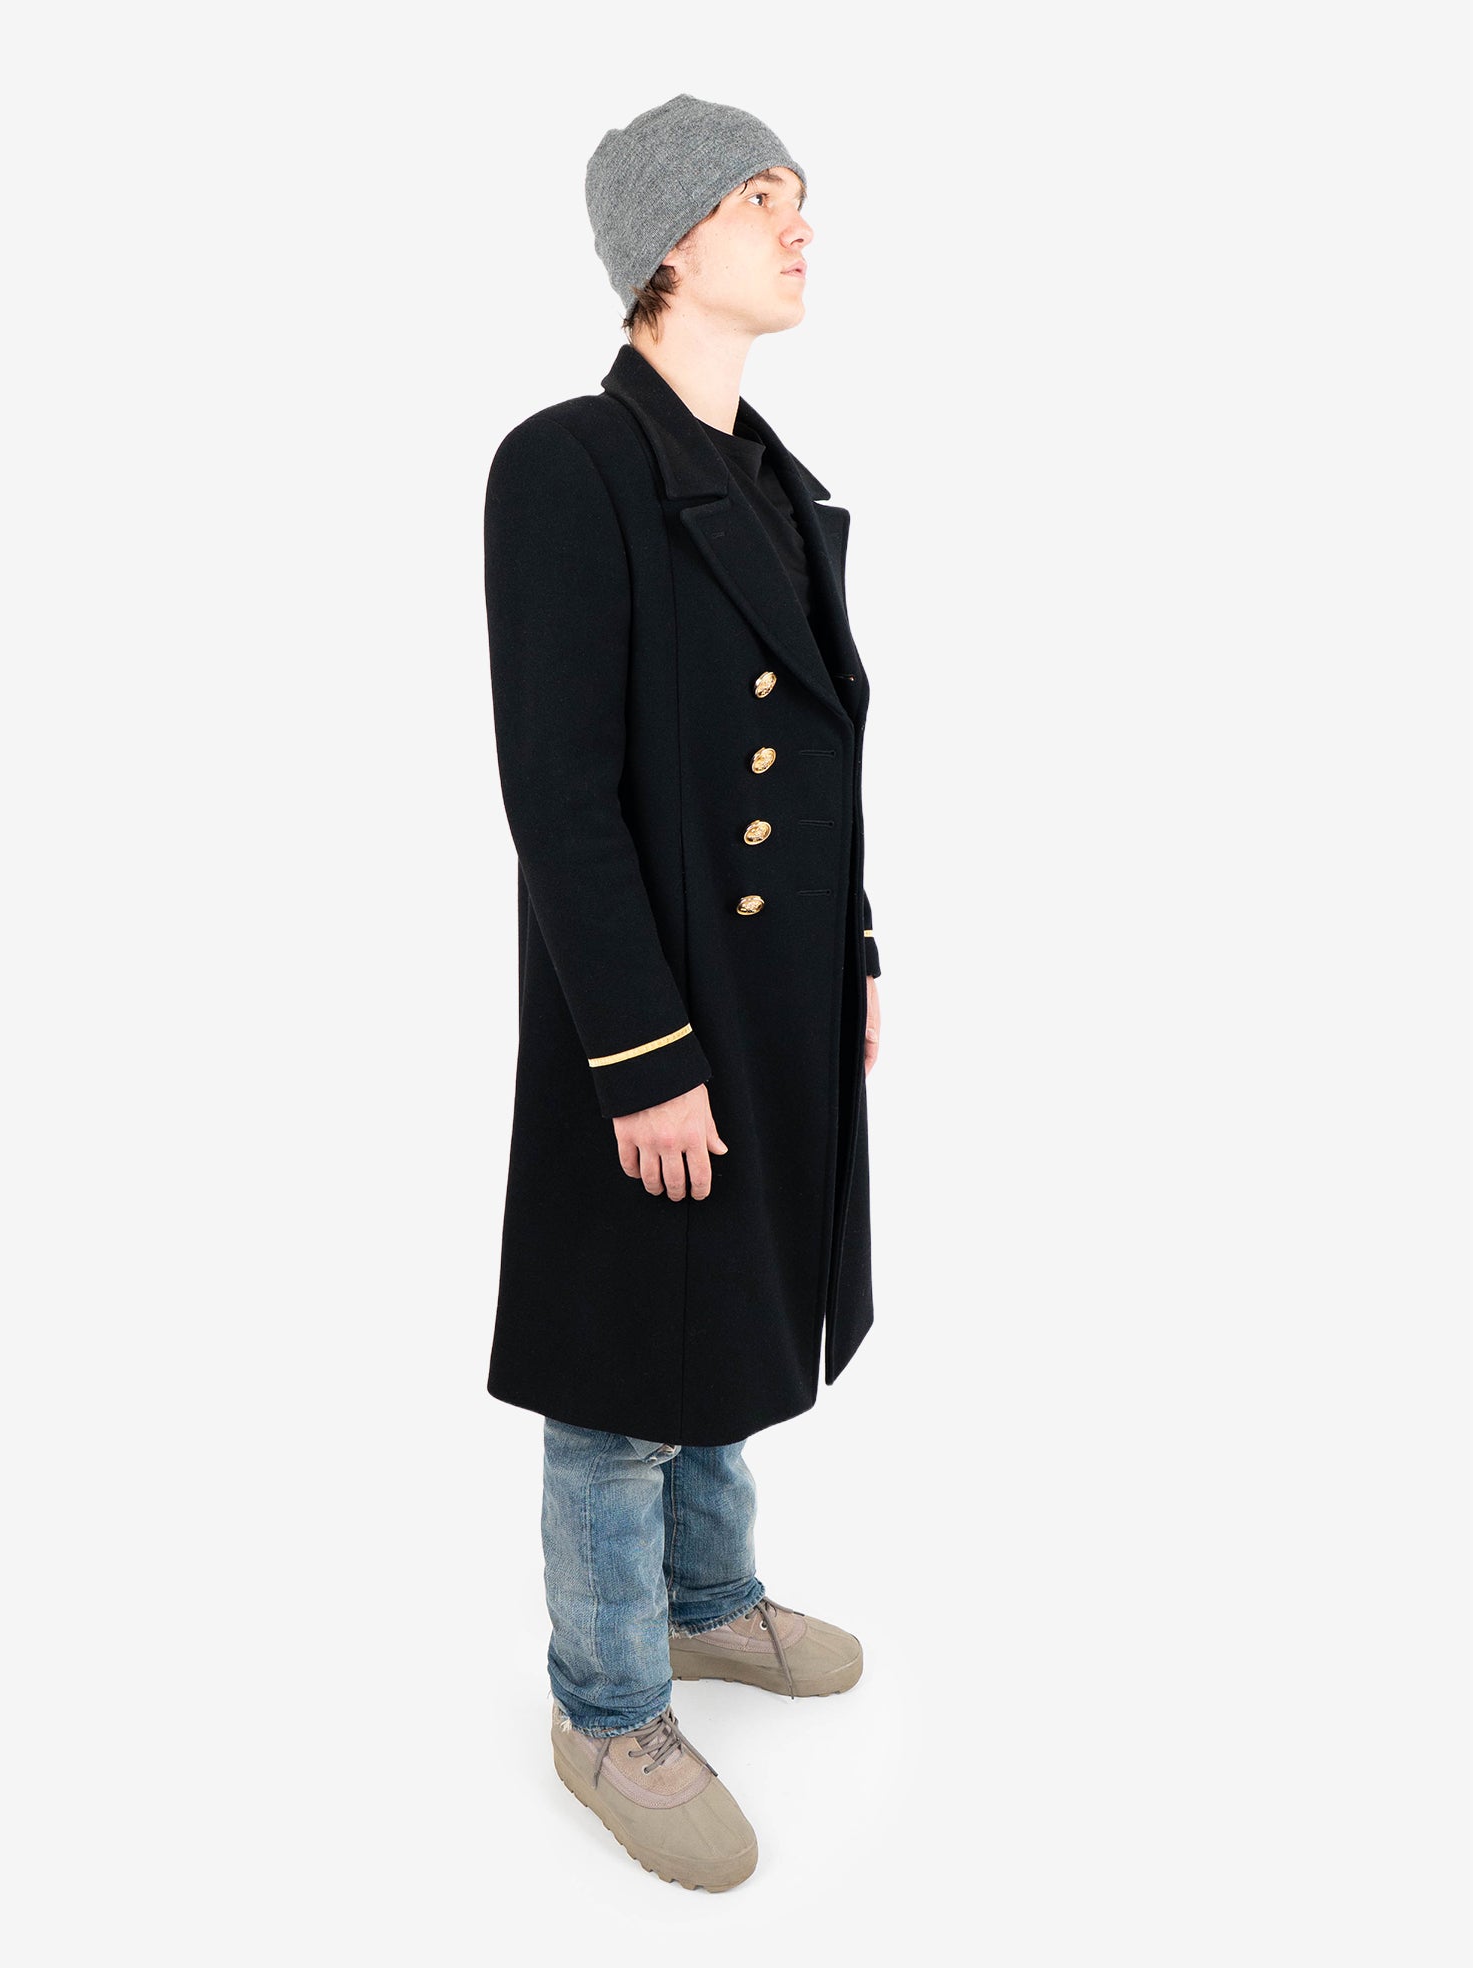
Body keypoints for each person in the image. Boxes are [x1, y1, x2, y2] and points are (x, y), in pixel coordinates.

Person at [481, 93, 885, 1892]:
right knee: (626, 1352)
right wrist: (640, 1057)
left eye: (801, 195)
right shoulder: (570, 463)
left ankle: (710, 1600)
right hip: (646, 998)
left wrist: (852, 952)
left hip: (774, 987)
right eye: (757, 195)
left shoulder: (777, 482)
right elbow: (560, 796)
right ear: (665, 241)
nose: (798, 224)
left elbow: (824, 762)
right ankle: (605, 1705)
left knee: (735, 1298)